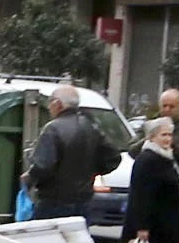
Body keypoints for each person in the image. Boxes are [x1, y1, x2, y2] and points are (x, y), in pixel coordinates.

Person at [21, 91, 113, 225]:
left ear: (58, 104)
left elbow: (43, 165)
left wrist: (29, 177)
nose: (48, 107)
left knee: (46, 241)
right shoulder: (91, 126)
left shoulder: (53, 128)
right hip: (84, 199)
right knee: (77, 241)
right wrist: (90, 172)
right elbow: (112, 158)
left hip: (53, 200)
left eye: (50, 101)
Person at [124, 117, 179, 243]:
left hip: (165, 225)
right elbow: (140, 195)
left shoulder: (166, 157)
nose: (168, 139)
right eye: (163, 135)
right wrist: (142, 226)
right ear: (152, 137)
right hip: (153, 227)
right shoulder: (147, 159)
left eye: (169, 135)